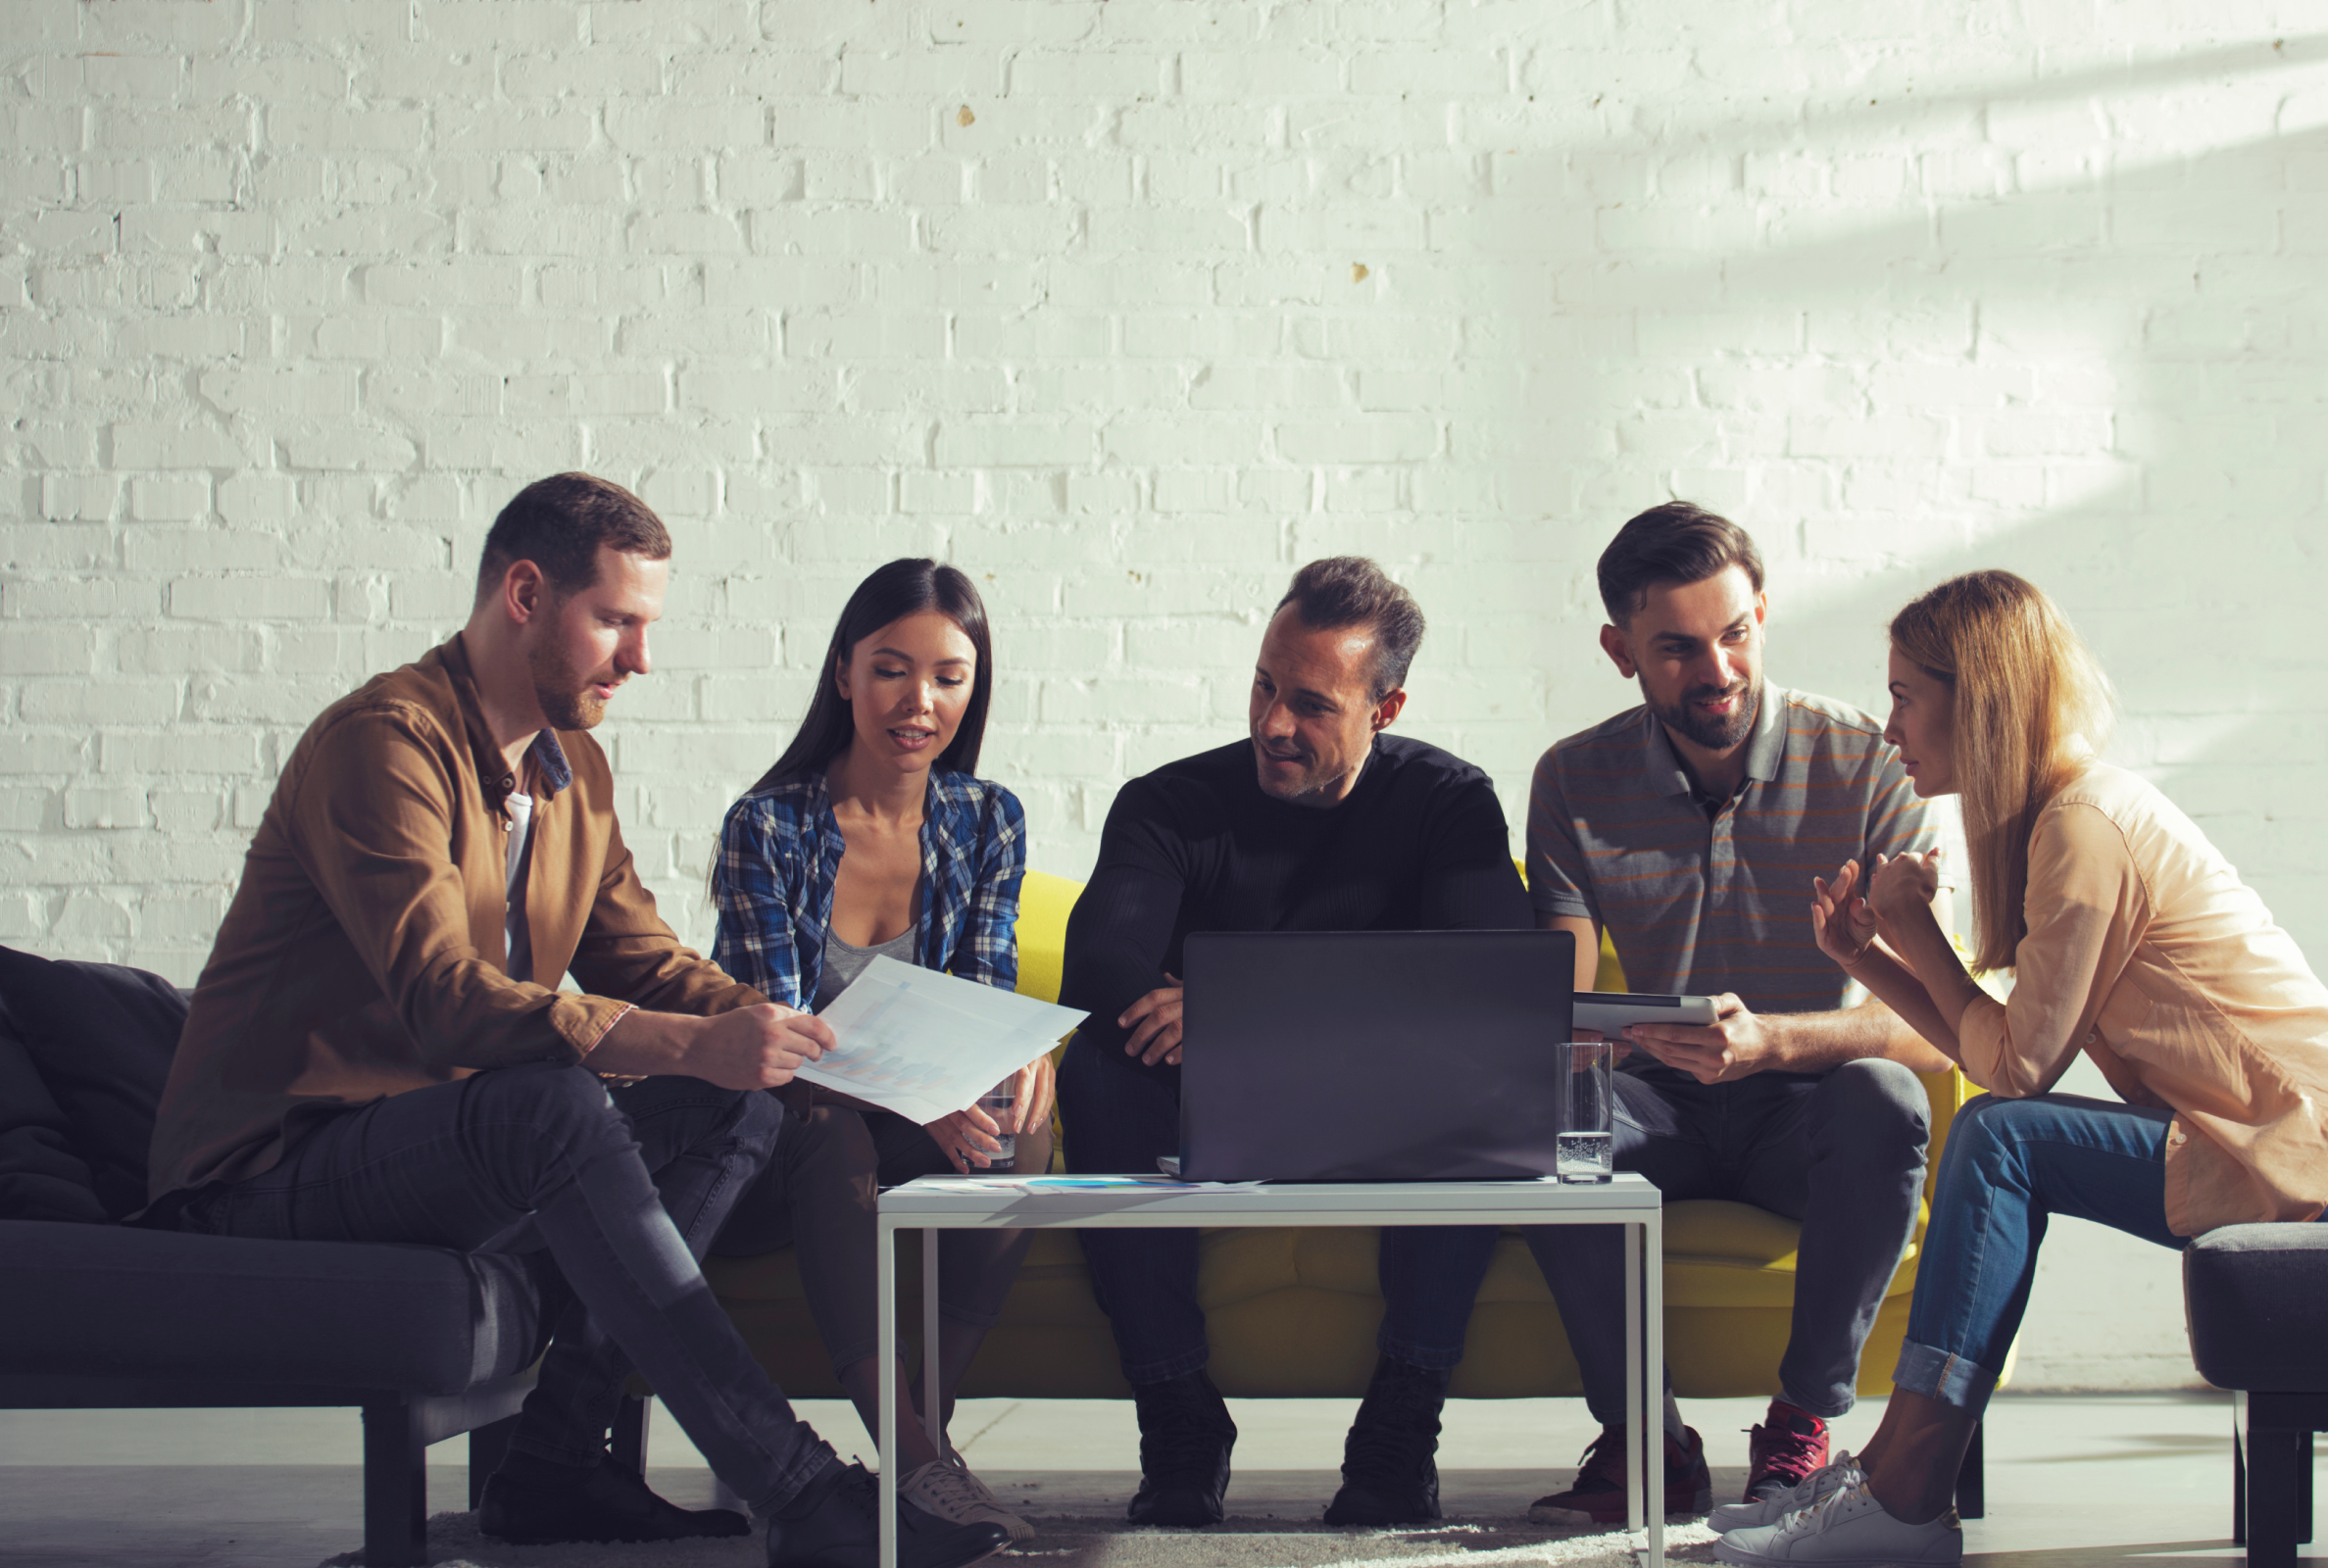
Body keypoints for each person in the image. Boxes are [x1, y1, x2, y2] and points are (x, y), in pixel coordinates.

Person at [141, 473, 1008, 1568]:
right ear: (523, 593)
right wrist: (694, 1039)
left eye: (646, 626)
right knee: (556, 1106)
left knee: (733, 1107)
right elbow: (443, 999)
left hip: (433, 1149)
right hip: (276, 1163)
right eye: (617, 621)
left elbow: (644, 956)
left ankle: (550, 1461)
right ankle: (800, 1490)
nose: (639, 658)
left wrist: (796, 1036)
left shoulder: (571, 771)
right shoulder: (384, 744)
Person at [1713, 569, 2328, 1567]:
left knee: (1999, 1137)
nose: (1890, 727)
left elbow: (2012, 1067)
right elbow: (1994, 1041)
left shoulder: (2080, 825)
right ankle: (1893, 1473)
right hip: (2310, 1155)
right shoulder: (2063, 816)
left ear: (1972, 700)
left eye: (1902, 695)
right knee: (1998, 1136)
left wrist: (1912, 931)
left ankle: (1906, 1491)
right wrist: (1867, 957)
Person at [1056, 557, 1532, 1529]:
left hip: (1388, 1114)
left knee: (1488, 1081)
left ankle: (1402, 1418)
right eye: (1265, 686)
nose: (1273, 721)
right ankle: (1178, 1415)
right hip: (1211, 1103)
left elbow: (1491, 993)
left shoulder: (1448, 801)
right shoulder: (1169, 802)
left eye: (1311, 703)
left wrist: (1232, 1007)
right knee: (1099, 1072)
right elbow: (1104, 967)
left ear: (1385, 706)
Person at [1518, 502, 1955, 1527]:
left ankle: (1799, 1426)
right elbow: (1560, 1006)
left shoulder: (1867, 763)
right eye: (1675, 648)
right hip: (1653, 1103)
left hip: (1800, 1109)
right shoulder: (1572, 779)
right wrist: (1578, 1037)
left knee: (1884, 1096)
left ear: (1761, 613)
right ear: (1619, 651)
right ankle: (1647, 1438)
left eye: (1734, 634)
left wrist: (1775, 1040)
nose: (1714, 669)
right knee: (1547, 1110)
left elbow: (1938, 1025)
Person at [709, 558, 1049, 1544]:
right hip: (786, 1133)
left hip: (914, 1113)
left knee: (1024, 1136)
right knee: (830, 1137)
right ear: (844, 674)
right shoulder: (766, 828)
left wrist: (1023, 1056)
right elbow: (777, 1039)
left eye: (949, 674)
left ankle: (917, 1443)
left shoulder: (987, 818)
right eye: (892, 669)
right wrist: (914, 1096)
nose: (920, 701)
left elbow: (979, 996)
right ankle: (917, 1465)